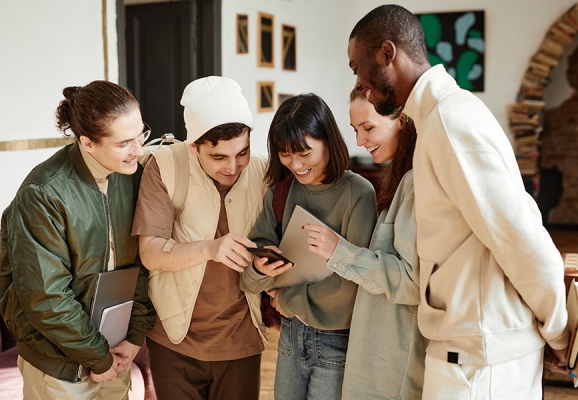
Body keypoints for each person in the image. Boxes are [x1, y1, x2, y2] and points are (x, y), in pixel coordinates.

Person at [347, 4, 570, 399]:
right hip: (471, 353)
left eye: (357, 69)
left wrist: (558, 330)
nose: (360, 84)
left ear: (387, 54)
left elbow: (520, 237)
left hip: (482, 364)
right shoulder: (437, 119)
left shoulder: (451, 120)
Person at [0, 80, 156, 399]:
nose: (138, 151)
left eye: (141, 135)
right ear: (87, 143)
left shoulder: (133, 176)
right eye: (124, 142)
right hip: (58, 363)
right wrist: (96, 356)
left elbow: (141, 261)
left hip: (114, 348)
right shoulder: (43, 194)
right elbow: (46, 297)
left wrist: (135, 333)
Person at [132, 76, 268, 400]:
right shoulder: (164, 167)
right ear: (193, 147)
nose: (233, 167)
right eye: (218, 157)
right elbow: (150, 252)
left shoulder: (263, 172)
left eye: (242, 152)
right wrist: (211, 248)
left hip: (242, 339)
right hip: (175, 340)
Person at [240, 93, 377, 400]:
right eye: (285, 154)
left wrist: (286, 300)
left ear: (328, 140)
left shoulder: (358, 194)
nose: (296, 165)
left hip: (336, 340)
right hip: (289, 334)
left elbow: (354, 286)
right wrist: (259, 267)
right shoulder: (281, 189)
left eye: (304, 152)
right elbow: (250, 275)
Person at [303, 89, 428, 399]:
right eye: (355, 130)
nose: (359, 141)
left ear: (402, 119)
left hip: (396, 362)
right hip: (382, 353)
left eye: (368, 128)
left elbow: (413, 281)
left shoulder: (414, 184)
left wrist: (339, 251)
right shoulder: (399, 178)